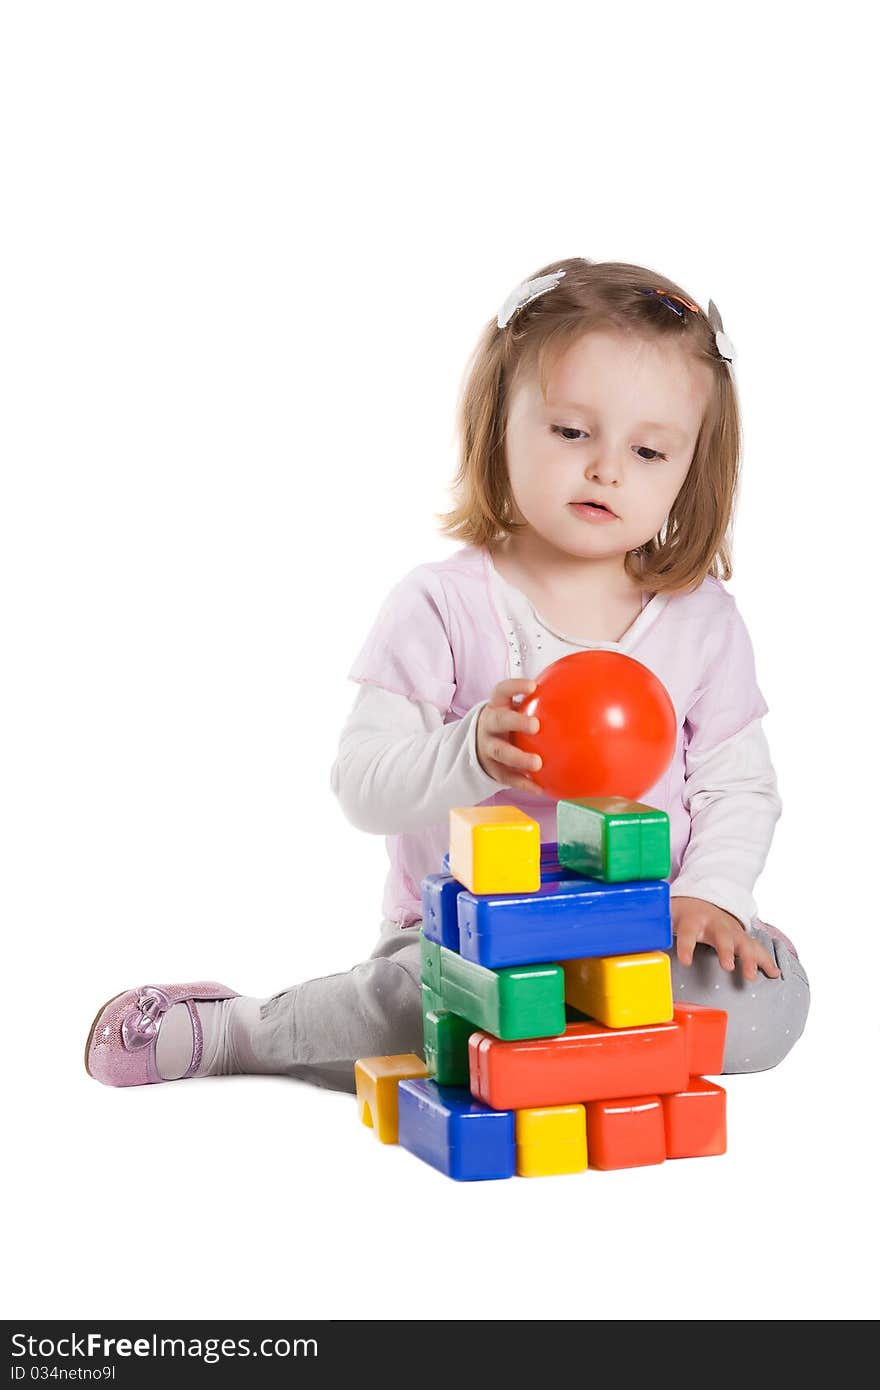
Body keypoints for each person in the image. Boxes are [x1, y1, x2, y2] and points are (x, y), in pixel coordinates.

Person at [85, 257, 810, 1095]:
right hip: (463, 938)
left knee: (770, 1010)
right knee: (424, 1011)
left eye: (649, 450)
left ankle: (582, 1036)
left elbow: (738, 784)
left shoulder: (702, 619)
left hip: (641, 931)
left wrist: (713, 894)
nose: (608, 468)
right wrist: (471, 750)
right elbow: (361, 787)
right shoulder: (442, 604)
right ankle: (247, 1029)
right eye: (572, 432)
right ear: (498, 423)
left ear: (693, 471)